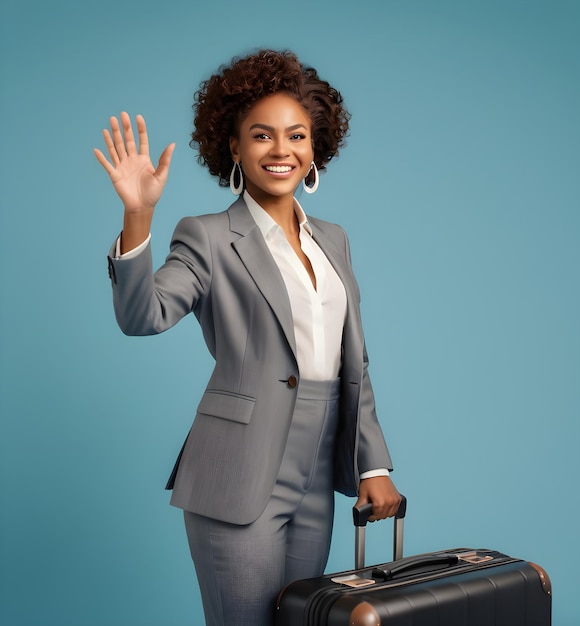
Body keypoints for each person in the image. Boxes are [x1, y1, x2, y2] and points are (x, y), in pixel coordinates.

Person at [95, 49, 401, 626]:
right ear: (234, 147)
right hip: (238, 472)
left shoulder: (333, 240)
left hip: (318, 473)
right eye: (261, 135)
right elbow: (144, 316)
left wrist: (372, 464)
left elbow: (352, 363)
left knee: (305, 621)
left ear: (315, 149)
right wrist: (138, 217)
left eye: (297, 136)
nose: (281, 150)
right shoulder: (208, 237)